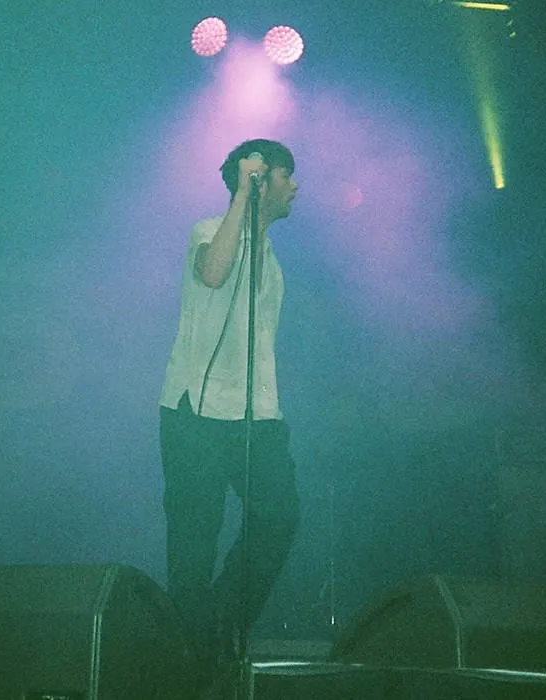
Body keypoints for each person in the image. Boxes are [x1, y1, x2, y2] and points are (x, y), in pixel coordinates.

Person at [158, 139, 301, 685]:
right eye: (287, 176)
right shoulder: (206, 231)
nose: (296, 187)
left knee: (280, 517)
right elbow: (214, 274)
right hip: (196, 415)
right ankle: (189, 672)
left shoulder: (270, 255)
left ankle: (218, 622)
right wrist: (244, 193)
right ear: (263, 180)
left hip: (256, 416)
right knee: (194, 546)